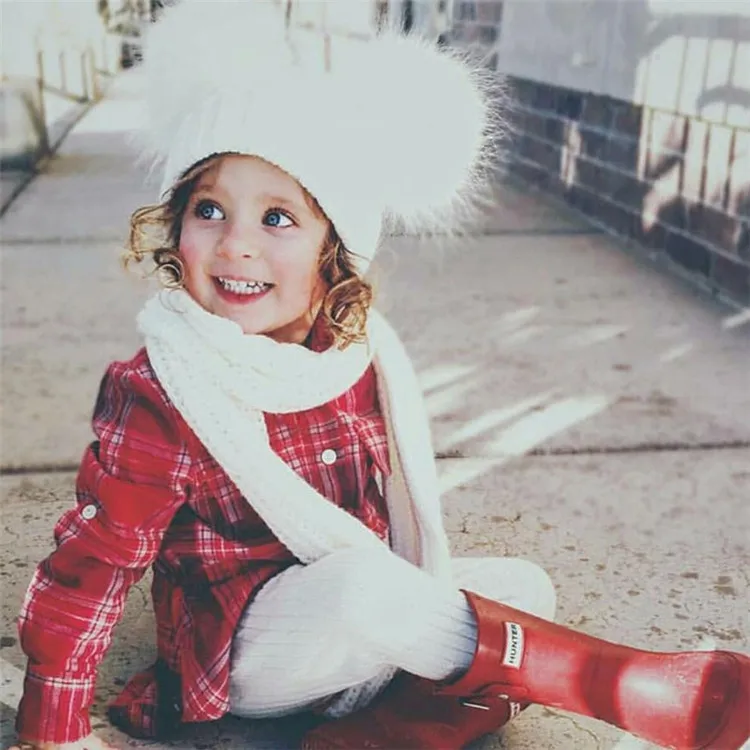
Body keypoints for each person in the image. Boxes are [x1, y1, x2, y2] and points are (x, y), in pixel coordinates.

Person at [10, 2, 749, 749]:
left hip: (365, 614)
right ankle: (620, 685)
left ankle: (388, 731)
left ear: (340, 246)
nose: (235, 246)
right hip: (251, 653)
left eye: (277, 218)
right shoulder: (166, 385)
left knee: (521, 587)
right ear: (175, 225)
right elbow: (92, 561)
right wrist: (56, 719)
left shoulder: (357, 355)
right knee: (371, 591)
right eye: (209, 209)